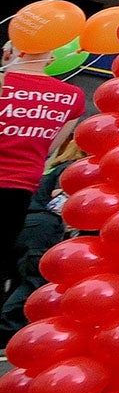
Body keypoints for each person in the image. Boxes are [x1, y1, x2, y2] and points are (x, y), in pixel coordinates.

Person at [0, 43, 84, 315]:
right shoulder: (72, 96)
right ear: (51, 59)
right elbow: (50, 148)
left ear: (11, 53)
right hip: (21, 186)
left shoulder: (4, 82)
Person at [0, 135, 82, 342]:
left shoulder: (53, 169)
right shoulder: (73, 169)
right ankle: (7, 328)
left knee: (16, 276)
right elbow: (59, 197)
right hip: (43, 226)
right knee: (35, 279)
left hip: (22, 221)